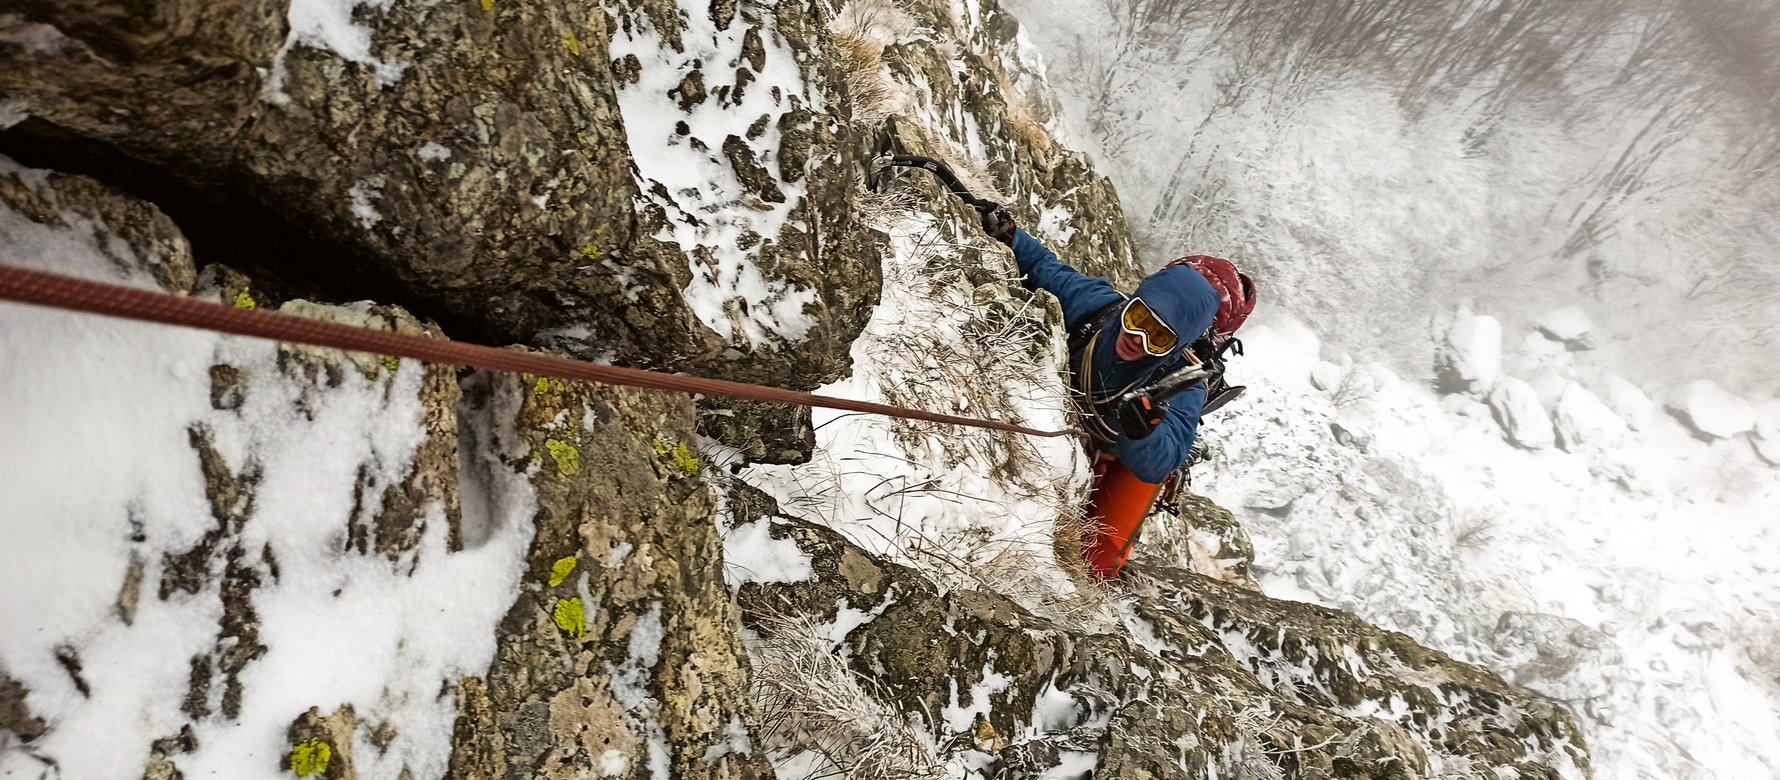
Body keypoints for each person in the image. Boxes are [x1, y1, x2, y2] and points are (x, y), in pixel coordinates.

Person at [990, 222, 1254, 484]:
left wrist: (1143, 432)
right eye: (1138, 318)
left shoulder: (1183, 384)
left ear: (1176, 347)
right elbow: (1046, 268)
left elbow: (1163, 461)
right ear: (1130, 305)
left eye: (1158, 338)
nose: (1137, 338)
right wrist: (1010, 232)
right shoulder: (1102, 309)